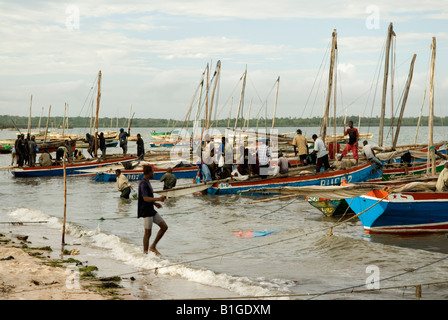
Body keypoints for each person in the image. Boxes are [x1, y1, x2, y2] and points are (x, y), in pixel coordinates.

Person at [138, 165, 167, 255]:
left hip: (151, 209)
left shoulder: (147, 182)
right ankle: (145, 254)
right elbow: (145, 198)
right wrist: (158, 199)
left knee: (164, 227)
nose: (153, 173)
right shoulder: (143, 183)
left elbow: (149, 197)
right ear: (149, 173)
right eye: (153, 172)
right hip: (145, 210)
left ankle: (153, 246)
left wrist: (155, 204)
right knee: (148, 233)